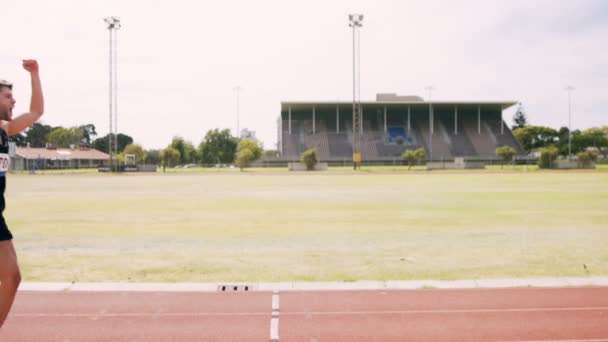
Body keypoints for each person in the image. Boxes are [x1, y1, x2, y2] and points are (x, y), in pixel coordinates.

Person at [0, 60, 44, 328]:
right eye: (7, 96)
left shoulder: (4, 130)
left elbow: (36, 111)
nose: (13, 100)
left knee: (12, 277)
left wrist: (35, 75)